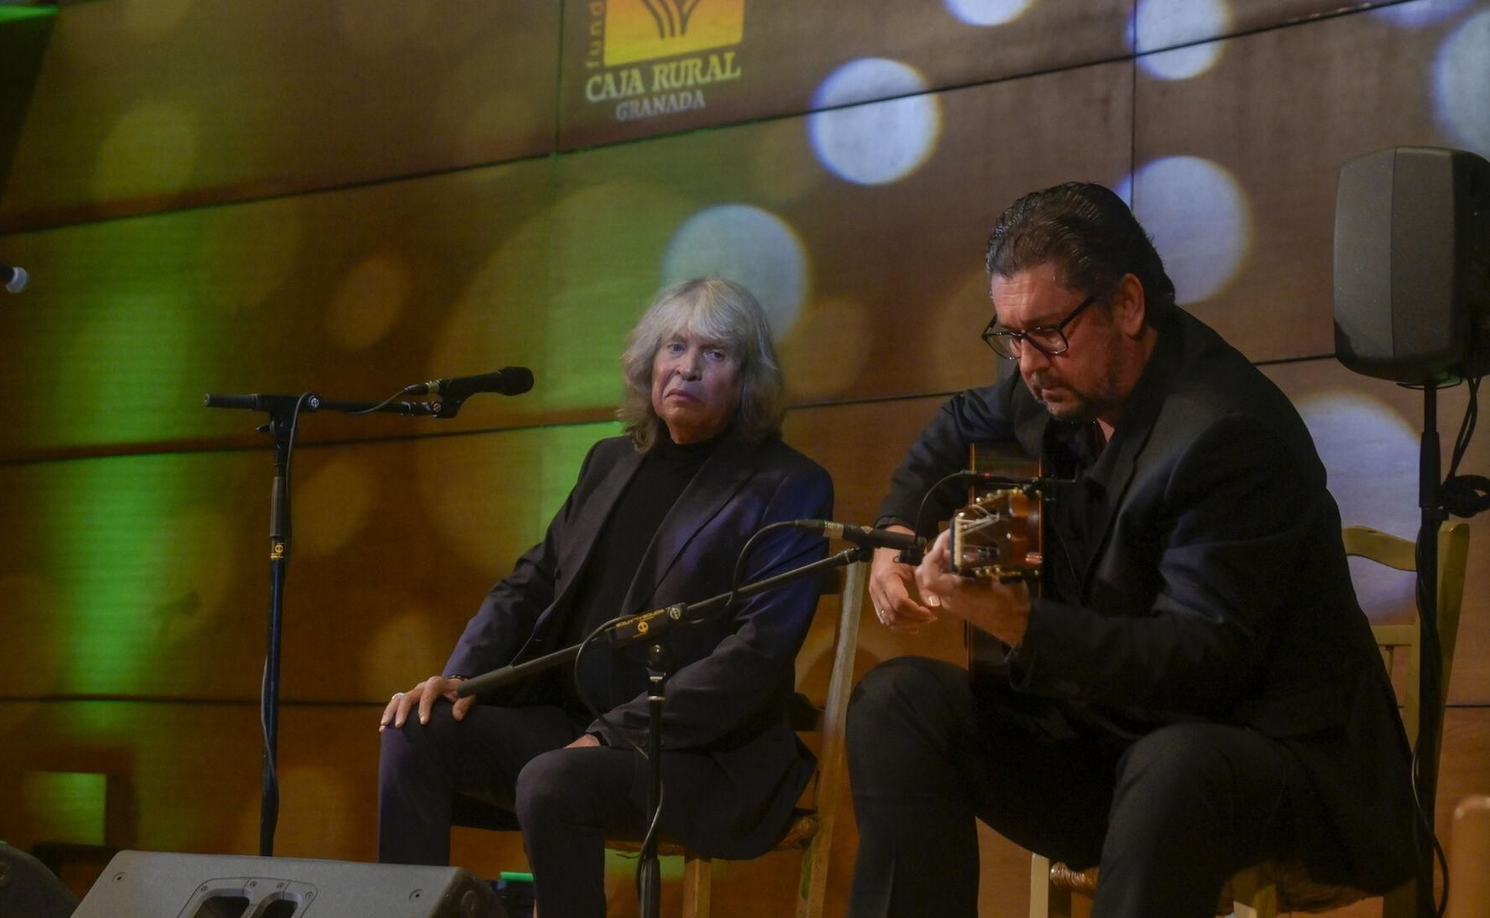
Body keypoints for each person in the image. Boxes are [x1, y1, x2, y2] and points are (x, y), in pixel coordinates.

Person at [846, 182, 1415, 917]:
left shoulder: (1228, 434)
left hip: (1273, 764)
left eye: (1046, 331)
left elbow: (1198, 664)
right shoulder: (1052, 381)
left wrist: (1022, 623)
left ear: (1128, 305)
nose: (1026, 363)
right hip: (1114, 750)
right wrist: (897, 534)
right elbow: (961, 421)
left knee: (1172, 765)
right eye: (1009, 335)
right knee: (897, 703)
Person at [378, 277, 832, 918]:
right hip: (574, 724)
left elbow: (756, 655)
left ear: (748, 377)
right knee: (414, 732)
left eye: (715, 354)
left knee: (552, 776)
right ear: (650, 361)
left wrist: (615, 736)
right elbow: (529, 584)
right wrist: (460, 678)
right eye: (675, 347)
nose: (688, 368)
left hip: (702, 753)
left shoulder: (790, 485)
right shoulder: (608, 462)